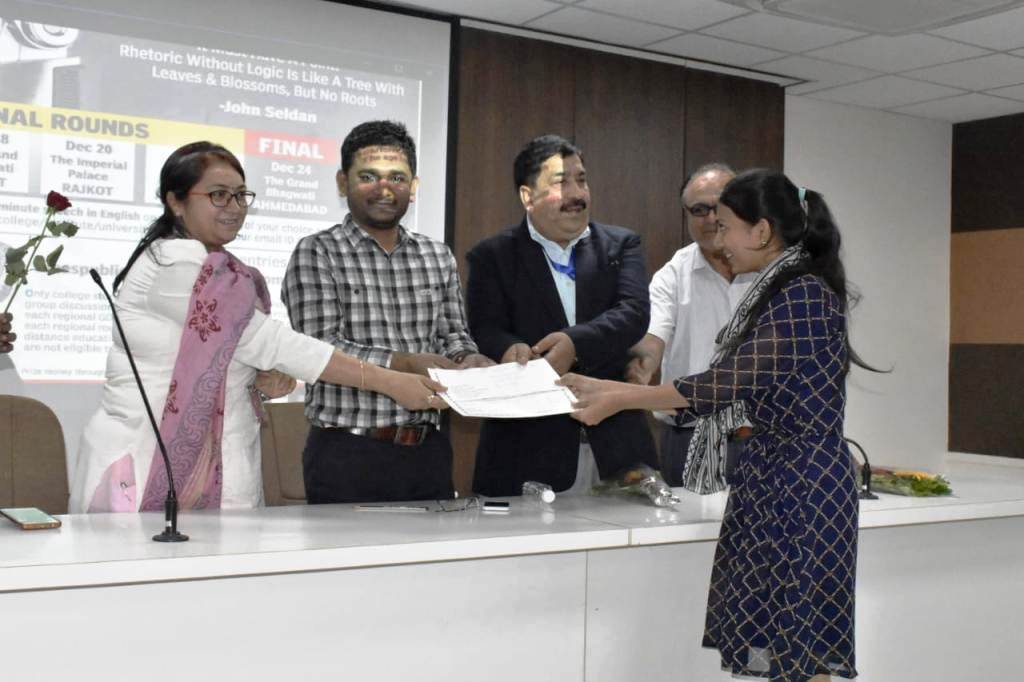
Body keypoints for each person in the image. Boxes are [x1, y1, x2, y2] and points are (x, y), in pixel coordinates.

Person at [560, 169, 864, 681]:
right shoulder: (778, 288)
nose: (718, 240)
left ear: (761, 231)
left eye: (725, 226)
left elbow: (724, 384)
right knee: (778, 638)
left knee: (802, 646)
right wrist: (615, 389)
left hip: (803, 485)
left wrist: (617, 397)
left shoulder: (803, 294)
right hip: (773, 476)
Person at [69, 141, 445, 514]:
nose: (234, 207)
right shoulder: (173, 265)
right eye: (218, 195)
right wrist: (391, 382)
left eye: (240, 195)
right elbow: (269, 342)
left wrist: (258, 380)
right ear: (176, 201)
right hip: (147, 464)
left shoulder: (222, 268)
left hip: (220, 470)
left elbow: (226, 356)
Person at [282, 120, 490, 504]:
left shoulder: (437, 255)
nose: (384, 189)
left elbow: (453, 335)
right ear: (342, 182)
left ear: (414, 187)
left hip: (428, 451)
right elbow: (319, 350)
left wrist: (468, 359)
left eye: (397, 177)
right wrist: (405, 363)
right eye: (368, 177)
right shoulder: (317, 251)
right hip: (347, 452)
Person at [466, 134, 657, 497]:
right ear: (527, 196)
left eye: (581, 180)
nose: (577, 194)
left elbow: (633, 313)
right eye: (560, 182)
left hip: (617, 450)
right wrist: (510, 349)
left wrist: (574, 343)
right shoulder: (491, 256)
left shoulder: (621, 245)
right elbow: (485, 327)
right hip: (526, 452)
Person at [626, 163, 755, 485]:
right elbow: (653, 340)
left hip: (765, 440)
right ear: (686, 215)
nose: (711, 218)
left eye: (720, 206)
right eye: (699, 210)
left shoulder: (771, 269)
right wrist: (640, 370)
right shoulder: (672, 276)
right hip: (691, 442)